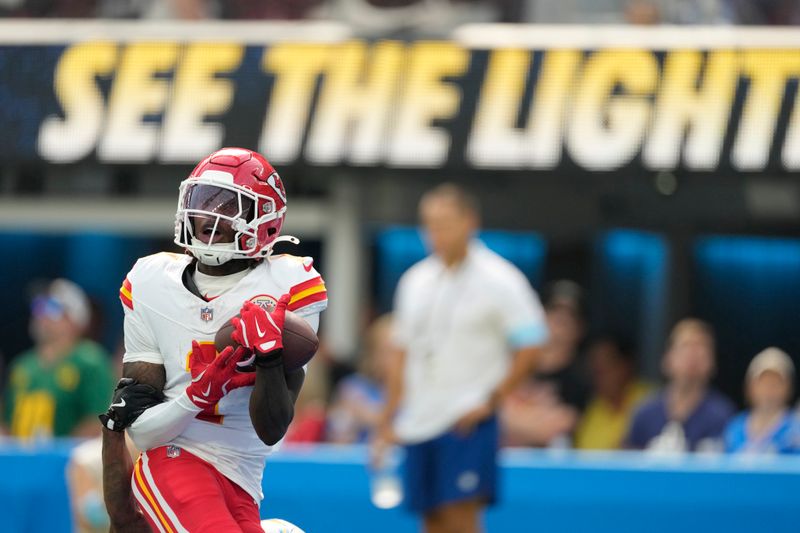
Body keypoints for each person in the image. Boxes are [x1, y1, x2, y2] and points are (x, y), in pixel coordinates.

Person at [98, 147, 327, 532]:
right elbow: (138, 429)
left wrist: (269, 357)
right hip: (174, 459)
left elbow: (271, 429)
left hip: (241, 477)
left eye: (228, 205)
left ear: (265, 219)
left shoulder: (292, 285)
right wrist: (196, 396)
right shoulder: (151, 281)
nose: (210, 215)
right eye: (202, 201)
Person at [374, 183, 548, 533]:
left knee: (461, 519)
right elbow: (401, 356)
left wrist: (491, 401)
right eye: (429, 224)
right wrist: (387, 421)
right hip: (419, 420)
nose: (434, 233)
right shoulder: (415, 281)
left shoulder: (501, 279)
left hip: (465, 421)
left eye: (444, 223)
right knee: (432, 520)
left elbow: (532, 344)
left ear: (470, 222)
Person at [3, 279, 113, 440]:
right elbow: (6, 423)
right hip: (22, 461)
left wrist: (60, 454)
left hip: (67, 461)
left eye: (52, 307)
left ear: (75, 319)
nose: (41, 314)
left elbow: (98, 420)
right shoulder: (22, 365)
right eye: (38, 305)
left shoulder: (90, 361)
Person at [501, 280, 590, 447]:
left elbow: (556, 429)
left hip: (548, 465)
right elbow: (494, 414)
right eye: (553, 313)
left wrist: (514, 418)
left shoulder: (581, 380)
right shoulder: (516, 364)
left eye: (569, 317)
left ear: (580, 328)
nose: (559, 325)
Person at [626, 319, 735, 453]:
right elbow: (629, 465)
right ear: (667, 358)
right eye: (685, 347)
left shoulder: (723, 416)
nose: (692, 356)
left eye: (701, 348)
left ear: (712, 362)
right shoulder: (644, 413)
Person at [574, 336, 651, 450]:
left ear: (625, 365)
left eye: (606, 366)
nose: (600, 375)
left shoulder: (649, 400)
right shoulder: (593, 408)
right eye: (595, 369)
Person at [327, 314, 393, 444]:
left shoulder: (415, 392)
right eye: (386, 351)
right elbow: (338, 437)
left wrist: (372, 418)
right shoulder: (353, 388)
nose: (393, 359)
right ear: (373, 354)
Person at [725, 348, 800, 454]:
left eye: (776, 383)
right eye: (763, 382)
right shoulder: (734, 428)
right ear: (750, 387)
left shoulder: (796, 429)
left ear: (789, 388)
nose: (769, 389)